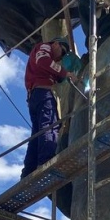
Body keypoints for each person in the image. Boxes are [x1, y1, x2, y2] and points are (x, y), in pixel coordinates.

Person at [21, 37, 77, 178]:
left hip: (34, 96)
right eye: (62, 51)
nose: (60, 56)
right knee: (50, 126)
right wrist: (65, 73)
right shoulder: (45, 47)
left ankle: (28, 171)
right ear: (56, 44)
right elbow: (43, 61)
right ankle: (46, 162)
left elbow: (49, 69)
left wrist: (61, 75)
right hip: (43, 94)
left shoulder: (47, 61)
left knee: (37, 134)